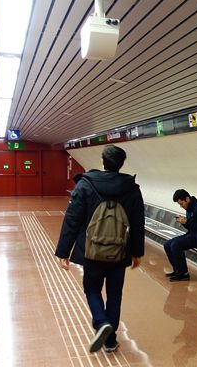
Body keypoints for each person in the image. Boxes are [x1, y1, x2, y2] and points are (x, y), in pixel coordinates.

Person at [55, 144, 145, 354]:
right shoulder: (132, 188)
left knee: (92, 289)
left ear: (103, 162)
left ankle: (100, 321)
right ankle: (110, 340)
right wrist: (137, 251)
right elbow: (138, 222)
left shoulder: (85, 185)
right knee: (115, 294)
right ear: (121, 164)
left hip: (91, 251)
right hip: (119, 251)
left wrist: (63, 252)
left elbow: (72, 220)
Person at [163, 188, 197, 281]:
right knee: (167, 245)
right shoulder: (189, 208)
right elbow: (191, 226)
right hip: (193, 234)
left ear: (187, 199)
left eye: (181, 203)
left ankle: (183, 273)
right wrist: (184, 222)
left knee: (175, 245)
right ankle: (178, 270)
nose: (181, 206)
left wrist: (187, 222)